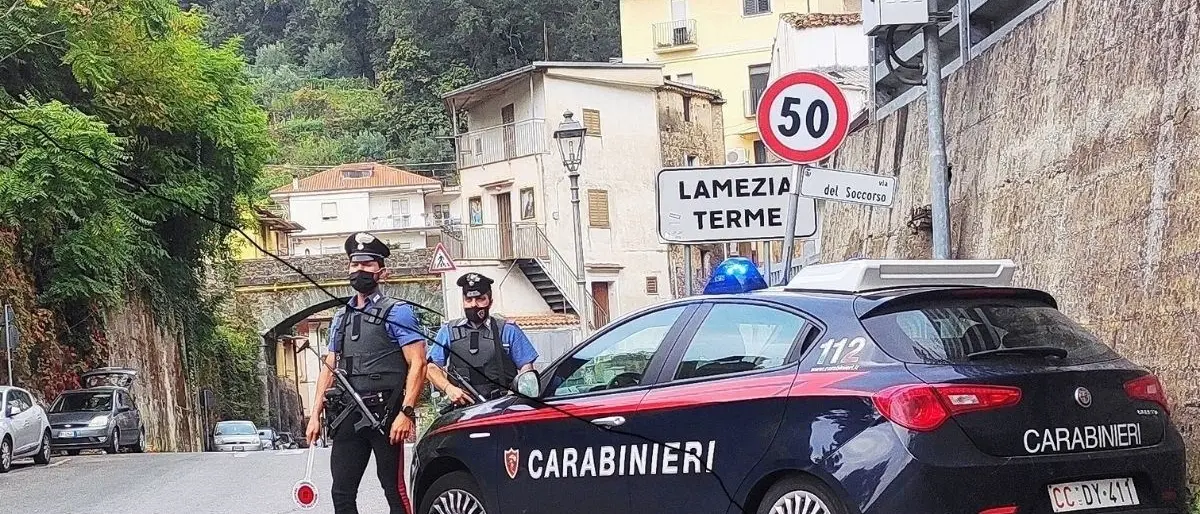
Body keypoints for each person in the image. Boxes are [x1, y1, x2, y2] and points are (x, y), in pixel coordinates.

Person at [305, 232, 427, 514]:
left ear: (381, 272)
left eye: (367, 265)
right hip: (348, 414)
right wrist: (314, 415)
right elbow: (329, 366)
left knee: (393, 490)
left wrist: (406, 413)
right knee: (342, 492)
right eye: (354, 264)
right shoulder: (341, 316)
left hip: (387, 414)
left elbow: (418, 364)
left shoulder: (398, 312)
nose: (359, 270)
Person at [426, 272, 539, 404]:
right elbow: (431, 368)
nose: (474, 305)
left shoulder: (508, 330)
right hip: (463, 409)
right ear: (463, 301)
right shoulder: (448, 331)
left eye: (480, 299)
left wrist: (520, 395)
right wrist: (449, 388)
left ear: (490, 302)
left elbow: (527, 371)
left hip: (503, 407)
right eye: (469, 300)